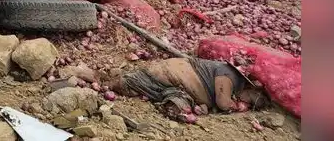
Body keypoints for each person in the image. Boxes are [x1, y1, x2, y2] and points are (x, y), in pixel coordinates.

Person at [104, 57, 269, 119]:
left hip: (179, 88)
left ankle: (171, 106)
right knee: (128, 85)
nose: (247, 103)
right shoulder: (228, 74)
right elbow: (223, 103)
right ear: (251, 87)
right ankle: (96, 77)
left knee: (179, 103)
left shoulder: (236, 86)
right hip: (175, 74)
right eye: (251, 100)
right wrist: (236, 107)